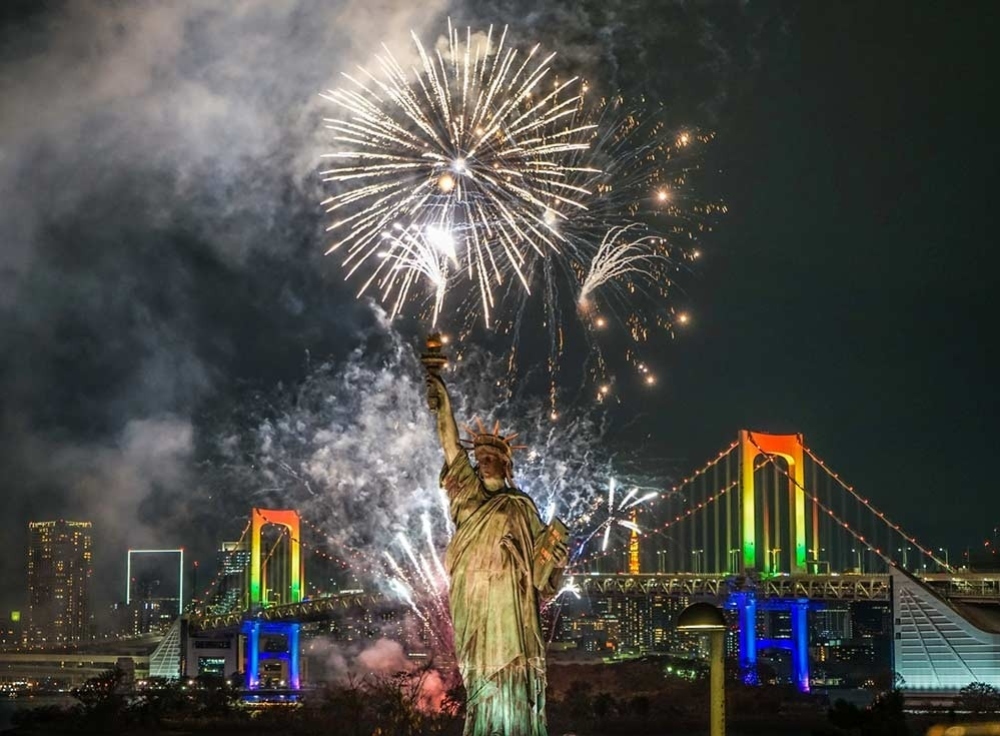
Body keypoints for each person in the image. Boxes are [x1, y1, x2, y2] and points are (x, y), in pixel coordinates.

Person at [426, 371, 568, 736]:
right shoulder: (468, 495)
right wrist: (443, 404)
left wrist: (556, 559)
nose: (484, 460)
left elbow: (543, 562)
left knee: (513, 665)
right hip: (473, 593)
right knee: (480, 667)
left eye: (492, 456)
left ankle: (516, 727)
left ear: (507, 465)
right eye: (481, 456)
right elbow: (450, 445)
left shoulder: (521, 505)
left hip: (510, 597)